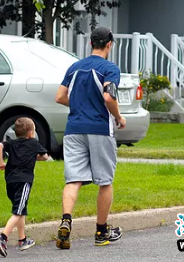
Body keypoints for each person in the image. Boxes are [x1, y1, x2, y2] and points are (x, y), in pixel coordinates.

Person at [54, 26, 127, 249]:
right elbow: (109, 97)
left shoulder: (74, 67)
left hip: (74, 129)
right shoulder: (110, 68)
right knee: (105, 181)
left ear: (90, 44)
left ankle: (66, 220)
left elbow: (59, 97)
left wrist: (79, 104)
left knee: (73, 179)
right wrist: (119, 117)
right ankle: (101, 232)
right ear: (109, 44)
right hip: (99, 129)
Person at [0, 117, 50, 257]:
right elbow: (45, 156)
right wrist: (33, 157)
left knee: (21, 209)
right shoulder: (33, 143)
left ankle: (22, 240)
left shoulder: (11, 143)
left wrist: (1, 162)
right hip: (24, 181)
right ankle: (2, 237)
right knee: (18, 211)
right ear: (30, 133)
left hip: (10, 181)